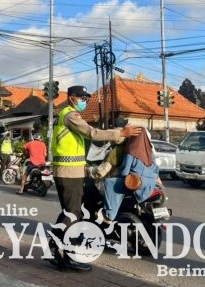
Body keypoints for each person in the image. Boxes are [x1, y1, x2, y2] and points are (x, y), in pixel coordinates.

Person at [49, 85, 142, 272]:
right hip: (68, 172)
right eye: (82, 98)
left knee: (71, 212)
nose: (84, 101)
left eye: (86, 99)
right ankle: (66, 256)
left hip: (72, 171)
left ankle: (55, 246)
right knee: (73, 214)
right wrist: (120, 133)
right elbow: (92, 133)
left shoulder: (66, 115)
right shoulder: (70, 115)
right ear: (72, 97)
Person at [102, 128, 160, 222]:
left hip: (138, 184)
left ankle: (110, 215)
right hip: (151, 183)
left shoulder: (131, 150)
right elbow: (156, 169)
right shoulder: (150, 151)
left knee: (109, 183)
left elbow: (124, 172)